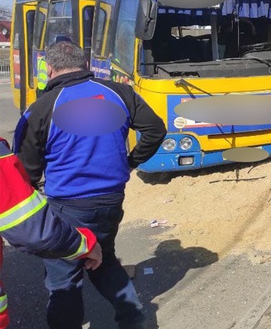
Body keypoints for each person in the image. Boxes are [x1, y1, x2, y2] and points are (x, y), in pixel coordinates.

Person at [14, 41, 167, 329]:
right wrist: (131, 162)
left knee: (64, 280)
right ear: (84, 63)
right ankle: (134, 321)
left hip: (67, 207)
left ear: (50, 68)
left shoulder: (41, 108)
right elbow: (155, 129)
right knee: (104, 260)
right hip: (111, 201)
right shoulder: (119, 93)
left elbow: (26, 170)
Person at [0, 136, 103, 329]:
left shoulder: (39, 111)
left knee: (64, 279)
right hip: (106, 196)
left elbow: (28, 153)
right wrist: (85, 245)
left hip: (65, 198)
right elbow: (33, 231)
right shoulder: (119, 104)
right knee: (73, 278)